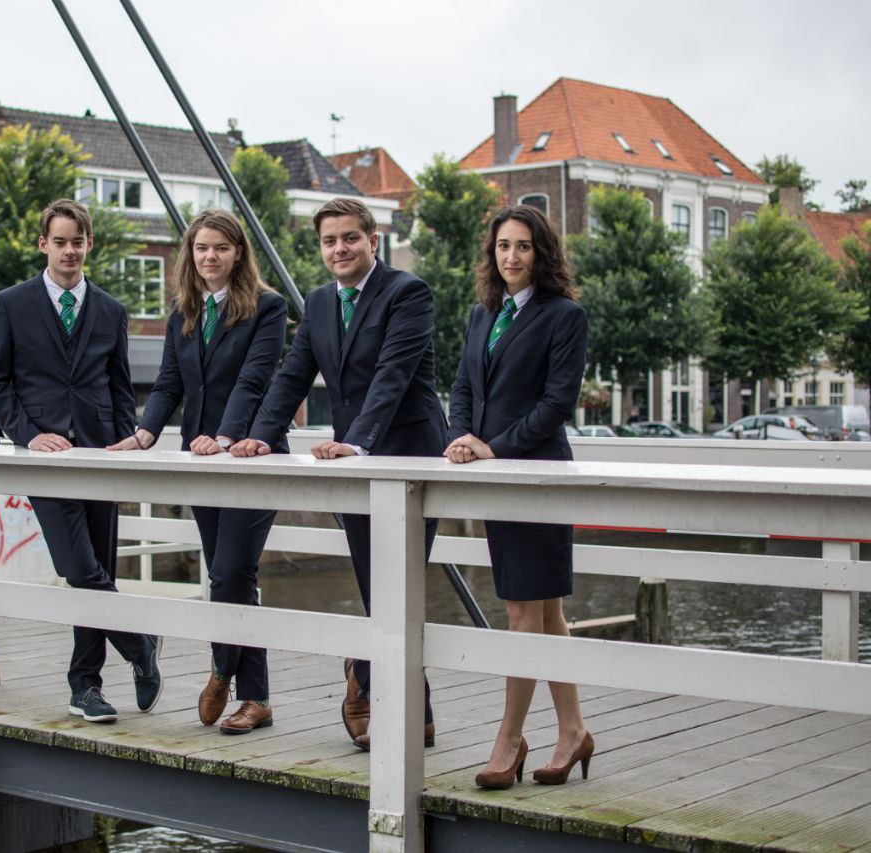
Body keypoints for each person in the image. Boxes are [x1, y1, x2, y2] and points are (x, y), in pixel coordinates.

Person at [229, 197, 445, 751]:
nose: (339, 249)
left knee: (401, 584)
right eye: (329, 241)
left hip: (410, 455)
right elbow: (293, 375)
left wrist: (355, 441)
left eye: (350, 238)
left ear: (372, 239)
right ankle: (403, 706)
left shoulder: (408, 293)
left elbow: (393, 377)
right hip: (353, 468)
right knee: (378, 584)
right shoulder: (319, 303)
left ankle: (378, 685)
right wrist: (257, 434)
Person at [0, 198, 162, 724]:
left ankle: (86, 686)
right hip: (47, 460)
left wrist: (125, 443)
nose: (69, 251)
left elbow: (119, 386)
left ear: (89, 245)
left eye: (77, 242)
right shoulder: (11, 304)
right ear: (43, 244)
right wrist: (28, 436)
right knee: (78, 567)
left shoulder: (110, 310)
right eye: (59, 241)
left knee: (97, 569)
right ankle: (138, 640)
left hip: (101, 454)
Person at [108, 209, 287, 734]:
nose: (210, 257)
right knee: (226, 574)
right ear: (191, 254)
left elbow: (254, 381)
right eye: (201, 248)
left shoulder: (267, 308)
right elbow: (168, 384)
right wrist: (143, 434)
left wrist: (226, 438)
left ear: (239, 253)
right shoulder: (183, 311)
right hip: (199, 456)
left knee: (233, 570)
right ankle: (256, 698)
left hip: (251, 455)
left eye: (221, 248)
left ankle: (222, 668)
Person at [443, 205, 592, 789]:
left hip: (537, 475)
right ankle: (574, 730)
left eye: (523, 246)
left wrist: (494, 447)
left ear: (542, 253)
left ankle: (509, 739)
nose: (511, 257)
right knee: (546, 613)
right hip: (495, 475)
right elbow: (461, 385)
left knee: (525, 612)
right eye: (503, 246)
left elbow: (557, 405)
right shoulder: (484, 315)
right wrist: (461, 437)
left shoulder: (564, 317)